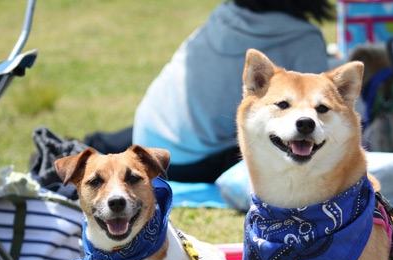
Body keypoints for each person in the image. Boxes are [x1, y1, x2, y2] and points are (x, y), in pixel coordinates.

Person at [85, 0, 332, 183]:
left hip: (149, 137)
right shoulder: (305, 37)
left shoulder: (223, 15)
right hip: (189, 164)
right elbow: (321, 103)